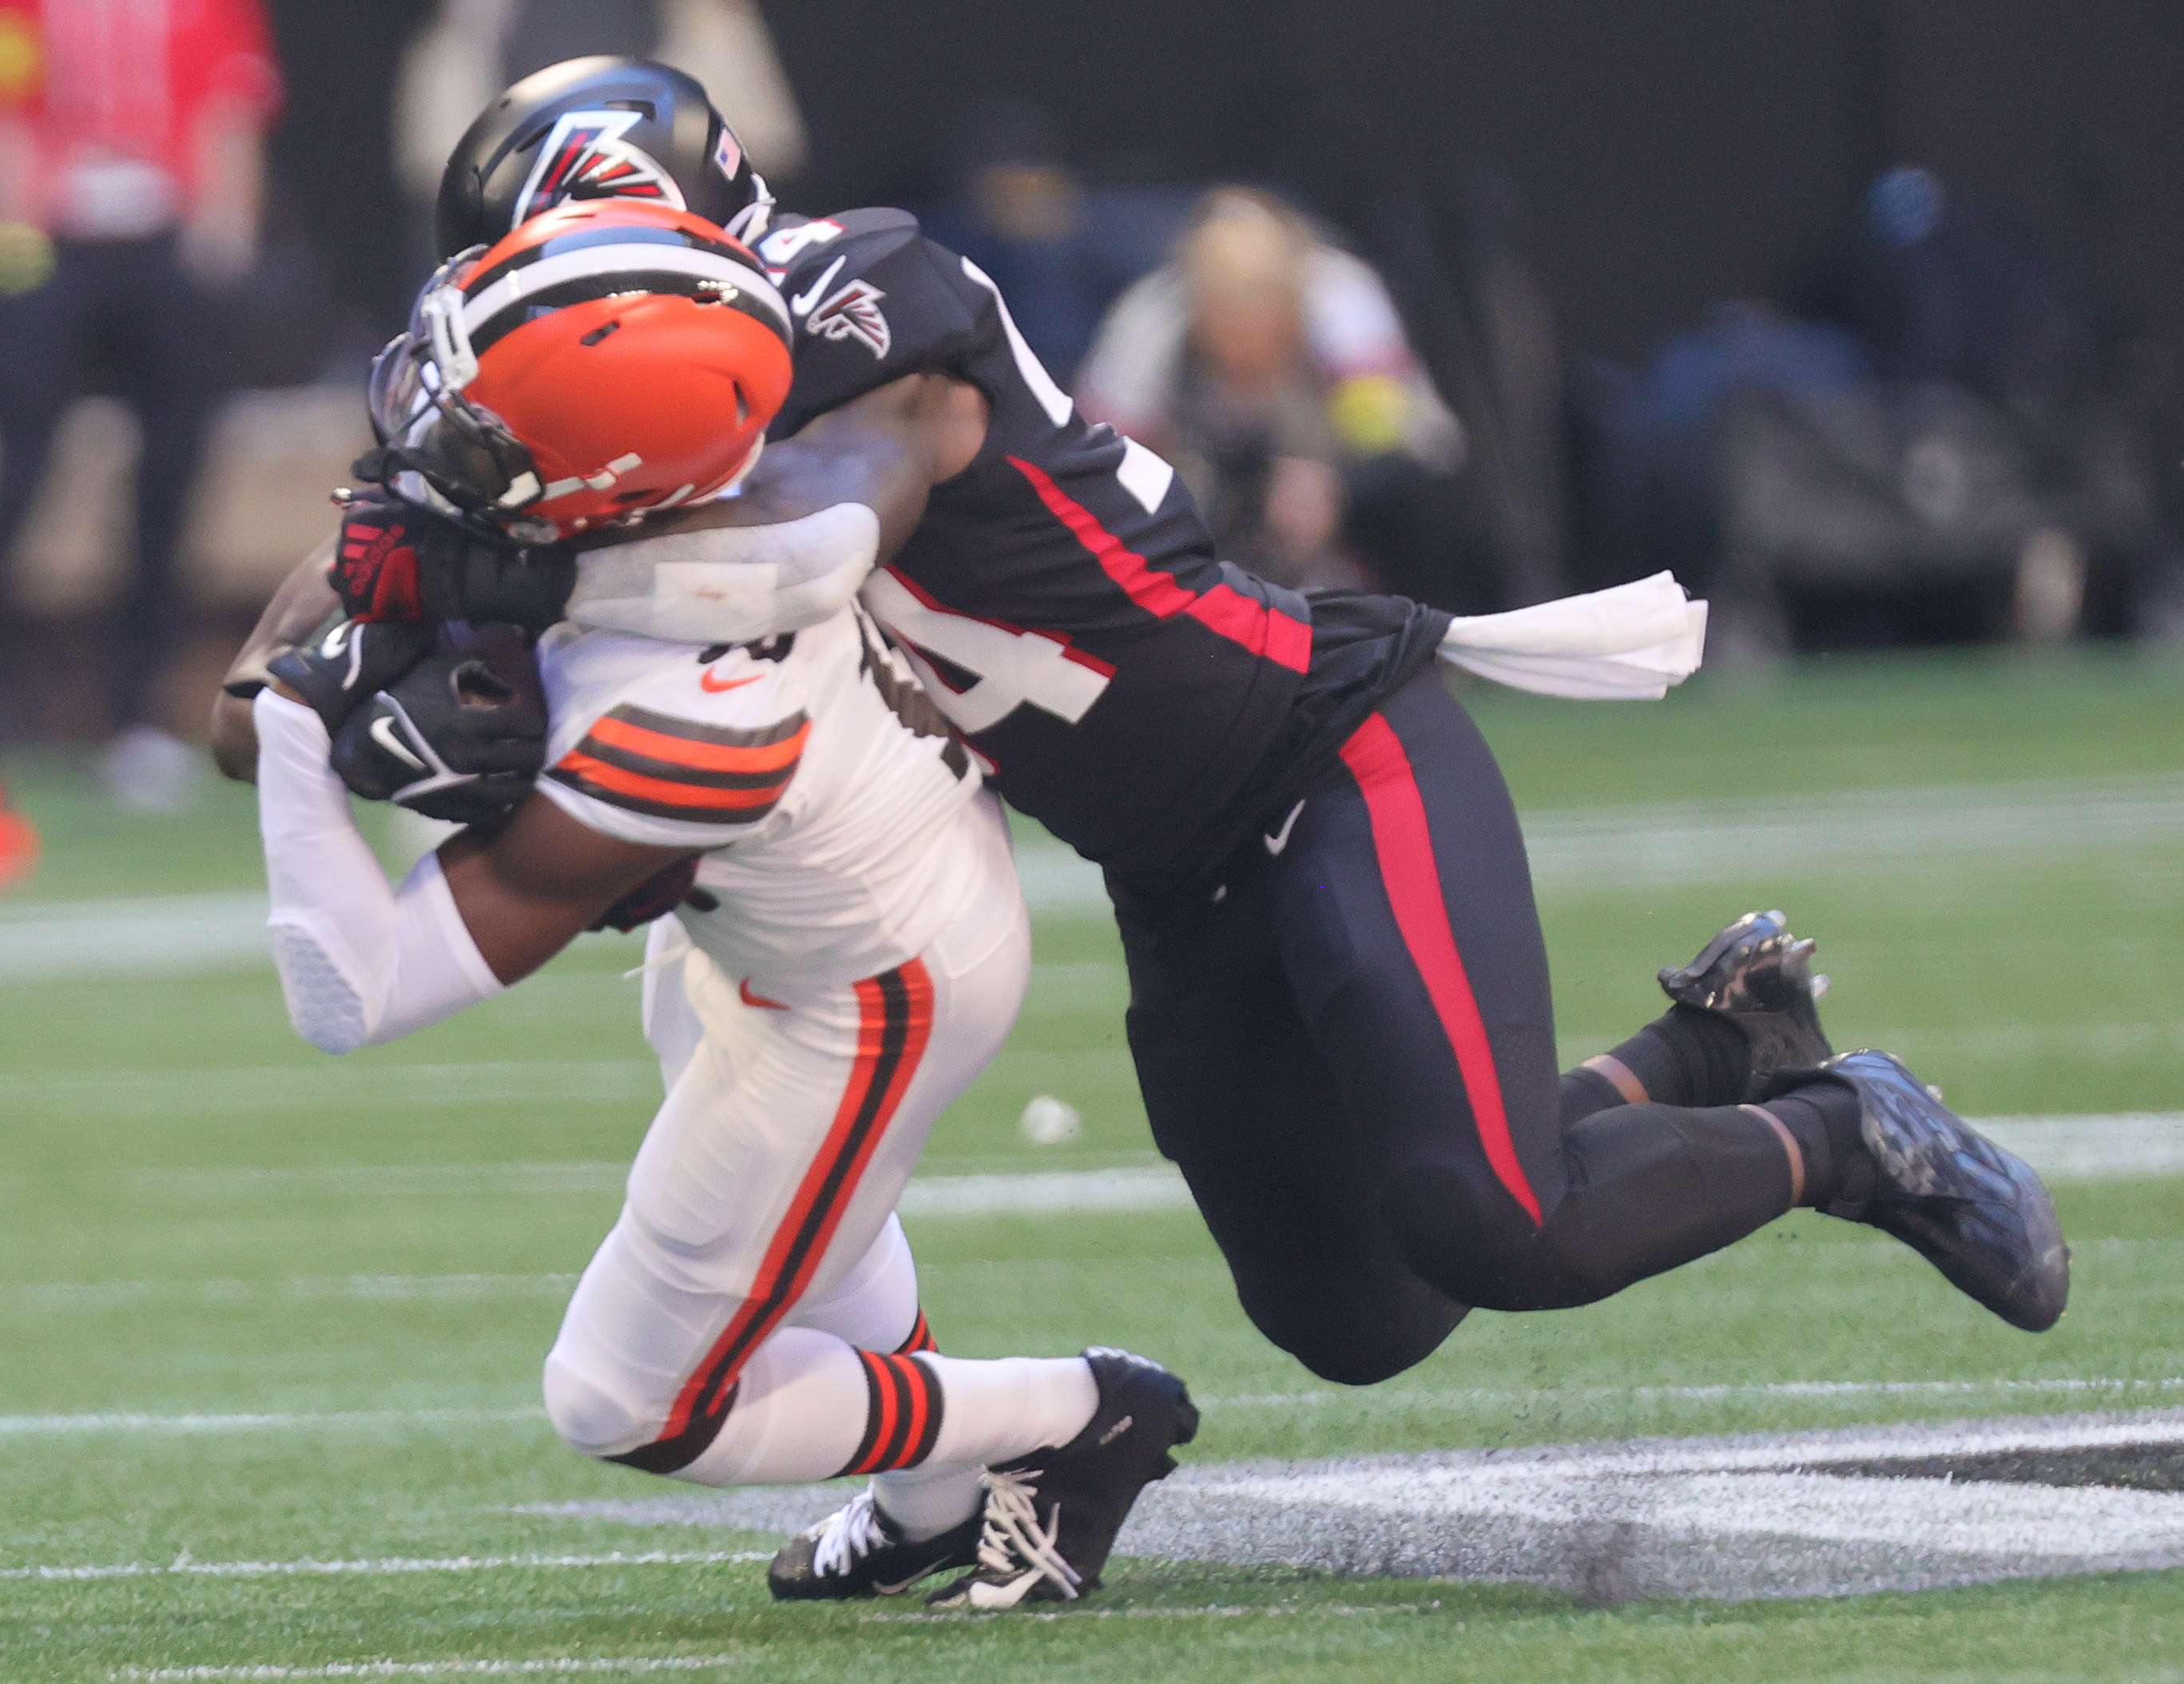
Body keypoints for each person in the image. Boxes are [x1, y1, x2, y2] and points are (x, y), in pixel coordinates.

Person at [218, 58, 2067, 1433]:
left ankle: (1846, 1132)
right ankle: (1706, 1047)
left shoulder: (876, 313)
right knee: (1359, 1308)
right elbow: (276, 676)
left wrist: (470, 553)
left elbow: (811, 529)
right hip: (1169, 872)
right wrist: (344, 600)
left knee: (1495, 1219)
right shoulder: (624, 446)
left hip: (1324, 748)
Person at [249, 201, 1194, 1611]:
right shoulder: (733, 478)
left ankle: (1072, 1413)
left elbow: (355, 989)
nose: (438, 432)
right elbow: (738, 556)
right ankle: (936, 1498)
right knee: (817, 1237)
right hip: (813, 892)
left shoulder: (690, 707)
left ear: (601, 474)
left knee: (631, 1399)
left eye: (482, 420)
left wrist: (288, 722)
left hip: (870, 982)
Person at [0, 0, 280, 808]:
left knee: (169, 484)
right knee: (18, 472)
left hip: (164, 240)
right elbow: (13, 111)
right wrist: (18, 241)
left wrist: (224, 230)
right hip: (58, 242)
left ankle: (137, 716)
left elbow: (230, 108)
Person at [1075, 186, 1463, 596]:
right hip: (1206, 523)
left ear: (1293, 287)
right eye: (1222, 299)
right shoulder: (1151, 323)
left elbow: (1398, 449)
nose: (1243, 323)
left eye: (1260, 293)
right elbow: (1092, 473)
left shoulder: (1343, 304)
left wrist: (1339, 487)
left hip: (1353, 520)